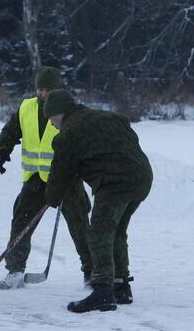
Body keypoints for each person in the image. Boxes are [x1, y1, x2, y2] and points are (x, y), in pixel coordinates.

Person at [42, 89, 153, 313]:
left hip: (115, 183)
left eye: (52, 119)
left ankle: (103, 290)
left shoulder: (68, 134)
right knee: (117, 230)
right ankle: (121, 287)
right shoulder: (107, 116)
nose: (52, 125)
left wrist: (51, 198)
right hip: (142, 177)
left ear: (61, 113)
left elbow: (60, 171)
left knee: (99, 233)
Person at [0, 66, 92, 290]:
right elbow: (11, 130)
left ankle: (92, 270)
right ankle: (15, 271)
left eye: (47, 89)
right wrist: (3, 148)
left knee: (79, 225)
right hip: (36, 178)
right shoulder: (26, 107)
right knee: (21, 222)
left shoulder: (70, 110)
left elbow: (83, 141)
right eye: (39, 89)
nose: (42, 94)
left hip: (66, 178)